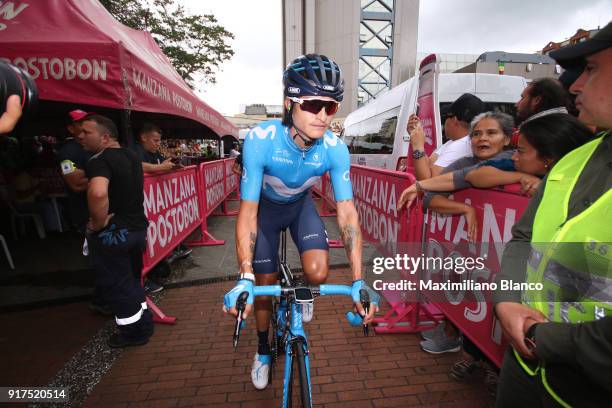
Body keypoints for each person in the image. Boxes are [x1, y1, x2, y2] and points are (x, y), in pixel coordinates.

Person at [222, 54, 380, 390]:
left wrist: (357, 280)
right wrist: (245, 276)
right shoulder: (261, 140)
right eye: (313, 104)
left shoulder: (335, 149)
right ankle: (263, 350)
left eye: (332, 106)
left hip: (299, 207)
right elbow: (247, 212)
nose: (323, 116)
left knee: (320, 273)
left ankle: (301, 294)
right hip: (264, 211)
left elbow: (348, 214)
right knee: (262, 288)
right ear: (289, 103)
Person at [494, 21, 612, 407]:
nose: (575, 86)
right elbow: (525, 238)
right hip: (524, 373)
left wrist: (542, 338)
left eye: (591, 69)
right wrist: (508, 300)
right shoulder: (572, 161)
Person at [81, 114, 154, 348]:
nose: (80, 137)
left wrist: (99, 221)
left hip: (114, 234)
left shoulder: (99, 161)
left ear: (104, 137)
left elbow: (98, 192)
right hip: (137, 230)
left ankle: (133, 334)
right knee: (133, 279)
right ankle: (144, 323)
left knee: (118, 284)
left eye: (86, 132)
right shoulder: (132, 156)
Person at [465, 113, 595, 196]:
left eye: (521, 151)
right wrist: (521, 177)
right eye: (476, 134)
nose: (514, 156)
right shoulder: (514, 166)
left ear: (548, 158)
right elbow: (474, 176)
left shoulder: (586, 187)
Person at [132, 123, 192, 292]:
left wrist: (172, 167)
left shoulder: (154, 153)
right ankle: (144, 280)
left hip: (155, 205)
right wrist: (161, 168)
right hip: (141, 206)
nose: (158, 143)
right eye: (155, 140)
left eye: (159, 140)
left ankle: (162, 261)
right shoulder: (135, 151)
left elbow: (162, 164)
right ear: (143, 137)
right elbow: (136, 165)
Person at [409, 93, 485, 180]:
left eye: (445, 117)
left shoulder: (463, 144)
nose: (444, 123)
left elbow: (427, 181)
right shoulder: (453, 142)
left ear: (454, 119)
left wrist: (417, 146)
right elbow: (428, 165)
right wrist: (416, 135)